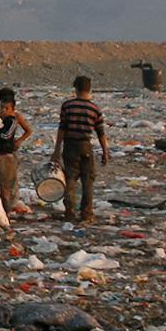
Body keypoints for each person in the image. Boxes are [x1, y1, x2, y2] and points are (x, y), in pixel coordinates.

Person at [53, 75, 109, 223]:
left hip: (70, 145)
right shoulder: (95, 109)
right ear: (89, 89)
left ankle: (70, 212)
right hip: (86, 146)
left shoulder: (67, 106)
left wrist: (57, 150)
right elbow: (101, 133)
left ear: (75, 88)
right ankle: (87, 213)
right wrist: (105, 152)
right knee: (88, 181)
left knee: (70, 179)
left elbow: (62, 129)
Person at [0, 88, 32, 212]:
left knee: (7, 184)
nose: (3, 110)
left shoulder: (14, 117)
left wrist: (19, 141)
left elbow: (26, 131)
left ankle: (6, 210)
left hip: (7, 152)